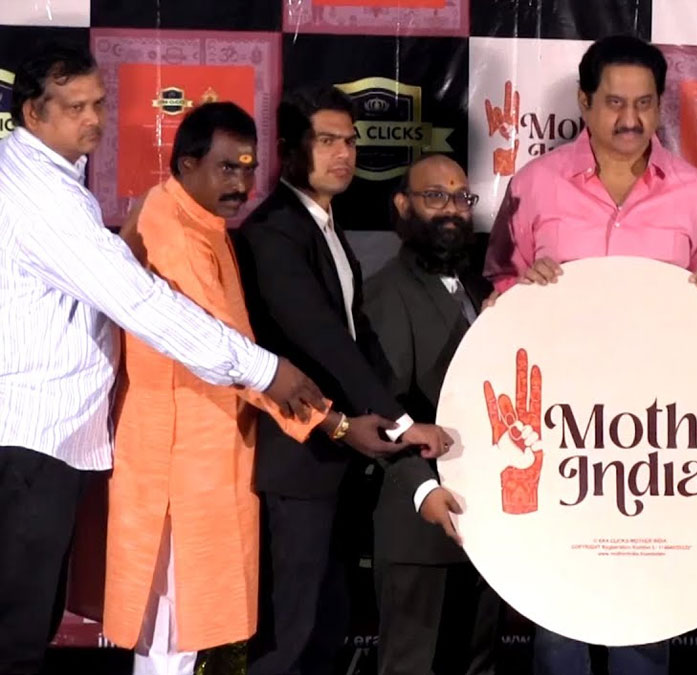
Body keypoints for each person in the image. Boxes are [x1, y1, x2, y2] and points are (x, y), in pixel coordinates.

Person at [0, 43, 323, 675]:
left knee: (22, 628)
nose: (95, 120)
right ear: (33, 113)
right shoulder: (45, 197)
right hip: (32, 442)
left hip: (43, 438)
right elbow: (143, 304)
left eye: (99, 103)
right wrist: (266, 371)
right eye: (75, 107)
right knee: (16, 638)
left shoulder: (44, 179)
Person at [102, 102, 410, 675]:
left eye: (248, 168)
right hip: (180, 457)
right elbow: (232, 355)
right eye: (227, 168)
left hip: (206, 452)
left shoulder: (195, 219)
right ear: (186, 163)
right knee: (173, 636)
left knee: (182, 633)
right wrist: (335, 424)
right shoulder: (174, 232)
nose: (241, 185)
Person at [481, 34, 697, 675]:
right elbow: (495, 294)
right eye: (615, 102)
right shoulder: (534, 185)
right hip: (558, 431)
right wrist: (518, 288)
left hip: (655, 437)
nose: (630, 119)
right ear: (585, 103)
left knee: (643, 608)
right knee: (559, 614)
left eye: (644, 103)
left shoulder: (695, 192)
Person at [236, 85, 457, 675]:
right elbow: (325, 344)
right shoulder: (274, 231)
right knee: (288, 638)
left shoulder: (325, 228)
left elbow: (360, 343)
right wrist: (400, 423)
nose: (344, 154)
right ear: (289, 149)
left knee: (326, 626)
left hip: (334, 464)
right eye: (327, 141)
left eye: (350, 141)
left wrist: (404, 423)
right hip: (295, 461)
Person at [364, 154, 503, 675]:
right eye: (435, 197)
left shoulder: (476, 288)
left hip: (482, 528)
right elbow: (381, 412)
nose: (452, 210)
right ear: (403, 206)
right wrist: (422, 489)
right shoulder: (387, 293)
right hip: (418, 532)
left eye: (461, 198)